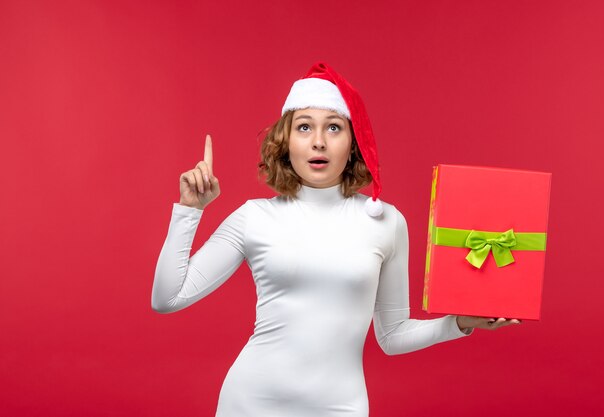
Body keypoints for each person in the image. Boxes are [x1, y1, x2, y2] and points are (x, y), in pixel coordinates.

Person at [152, 62, 520, 417]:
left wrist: (460, 322)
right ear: (285, 142)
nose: (318, 142)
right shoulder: (254, 217)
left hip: (340, 407)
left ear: (353, 141)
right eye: (303, 127)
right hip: (251, 403)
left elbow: (393, 335)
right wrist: (190, 210)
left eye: (333, 128)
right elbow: (168, 298)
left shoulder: (386, 221)